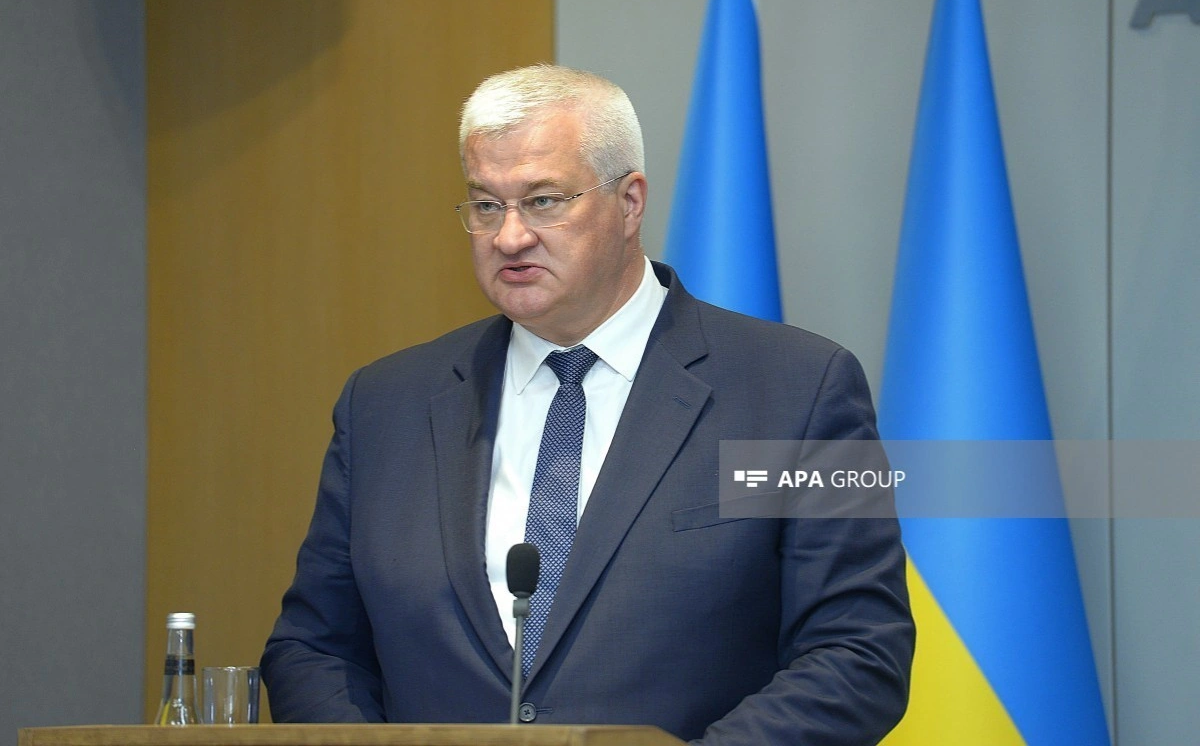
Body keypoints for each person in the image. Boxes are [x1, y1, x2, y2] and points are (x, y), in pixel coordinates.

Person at [262, 64, 914, 744]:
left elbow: (859, 652)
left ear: (629, 202)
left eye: (543, 200)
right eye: (486, 206)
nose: (510, 237)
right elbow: (313, 648)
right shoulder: (385, 406)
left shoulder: (799, 390)